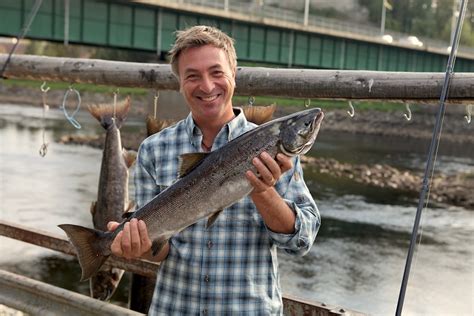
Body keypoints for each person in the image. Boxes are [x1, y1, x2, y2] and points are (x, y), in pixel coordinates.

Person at [107, 25, 321, 315]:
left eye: (217, 72)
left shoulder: (278, 153)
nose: (207, 86)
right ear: (180, 83)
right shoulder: (153, 150)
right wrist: (138, 247)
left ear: (233, 74)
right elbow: (160, 250)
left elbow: (301, 242)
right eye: (192, 76)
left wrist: (263, 191)